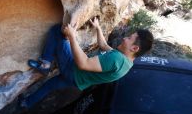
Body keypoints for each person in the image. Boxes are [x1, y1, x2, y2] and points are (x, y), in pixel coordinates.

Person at [21, 17, 154, 108]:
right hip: (78, 82)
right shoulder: (126, 62)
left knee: (58, 32)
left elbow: (83, 63)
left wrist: (72, 36)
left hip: (73, 70)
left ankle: (45, 64)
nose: (125, 38)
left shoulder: (116, 59)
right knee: (49, 86)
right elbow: (103, 46)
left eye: (129, 38)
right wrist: (98, 28)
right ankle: (26, 103)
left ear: (134, 48)